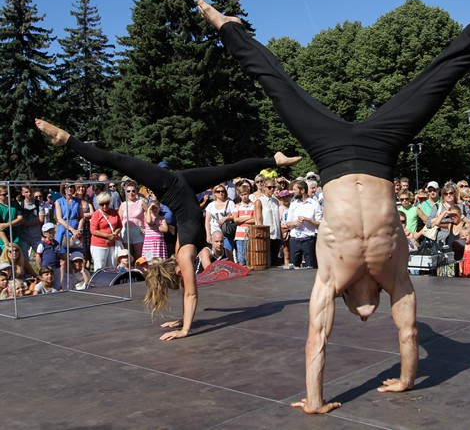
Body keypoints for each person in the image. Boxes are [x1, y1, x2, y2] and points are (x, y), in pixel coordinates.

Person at [199, 0, 470, 413]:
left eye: (359, 313)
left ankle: (226, 26)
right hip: (380, 148)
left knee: (275, 83)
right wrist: (407, 379)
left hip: (330, 152)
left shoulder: (331, 278)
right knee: (447, 68)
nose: (366, 315)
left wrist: (314, 401)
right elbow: (409, 333)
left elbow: (317, 338)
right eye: (369, 313)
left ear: (351, 302)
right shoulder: (395, 276)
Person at [35, 119, 300, 340]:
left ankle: (65, 138)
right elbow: (189, 291)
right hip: (183, 185)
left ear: (175, 271)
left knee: (117, 161)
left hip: (170, 186)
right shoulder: (182, 251)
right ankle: (273, 160)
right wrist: (182, 321)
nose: (185, 278)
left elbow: (192, 293)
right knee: (227, 169)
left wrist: (185, 327)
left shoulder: (183, 254)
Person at [285, 180, 322, 269]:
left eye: (295, 190)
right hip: (294, 240)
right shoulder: (293, 204)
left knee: (311, 267)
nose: (293, 192)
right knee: (293, 268)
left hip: (309, 240)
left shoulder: (314, 204)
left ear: (302, 191)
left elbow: (320, 224)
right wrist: (294, 223)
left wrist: (308, 220)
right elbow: (287, 223)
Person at [89, 191, 122, 271]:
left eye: (106, 203)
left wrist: (114, 234)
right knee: (100, 268)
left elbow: (119, 226)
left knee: (112, 268)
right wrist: (108, 236)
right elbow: (93, 230)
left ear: (110, 202)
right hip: (99, 245)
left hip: (112, 244)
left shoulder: (114, 212)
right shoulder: (96, 214)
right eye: (101, 204)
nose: (104, 206)